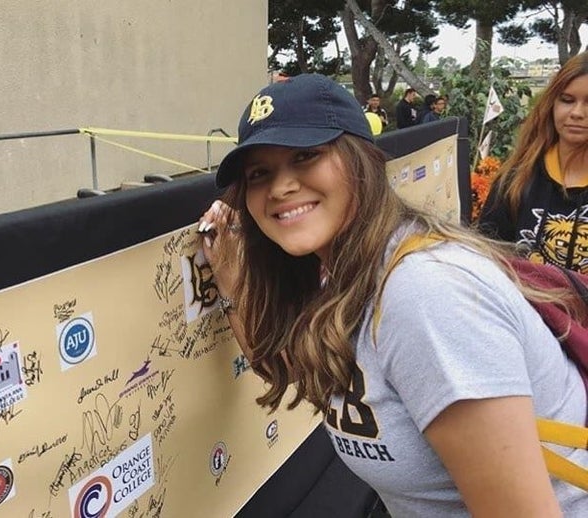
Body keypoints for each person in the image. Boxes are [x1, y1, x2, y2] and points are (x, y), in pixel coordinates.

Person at [198, 73, 588, 516]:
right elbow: (303, 372)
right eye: (259, 174)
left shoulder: (426, 294)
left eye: (306, 156)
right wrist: (233, 285)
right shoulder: (341, 271)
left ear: (361, 160)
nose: (281, 187)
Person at [478, 51, 588, 273]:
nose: (577, 113)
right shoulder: (516, 180)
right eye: (567, 100)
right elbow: (485, 264)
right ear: (551, 105)